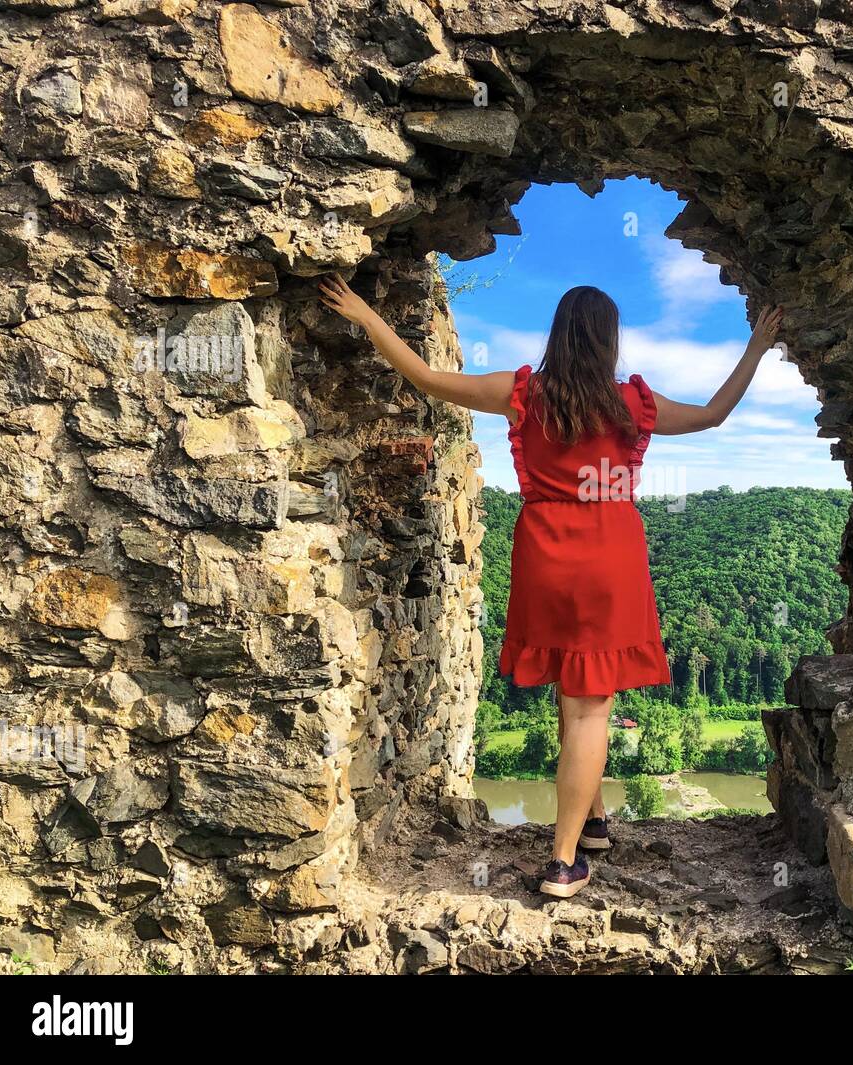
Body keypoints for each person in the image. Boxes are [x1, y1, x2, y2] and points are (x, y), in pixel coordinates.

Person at [320, 274, 782, 897]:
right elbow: (715, 414)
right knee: (592, 704)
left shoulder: (524, 396)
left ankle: (591, 822)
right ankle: (565, 860)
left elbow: (426, 378)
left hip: (544, 557)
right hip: (611, 558)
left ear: (559, 336)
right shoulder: (631, 405)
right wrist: (754, 347)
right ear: (609, 342)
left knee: (572, 687)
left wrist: (368, 316)